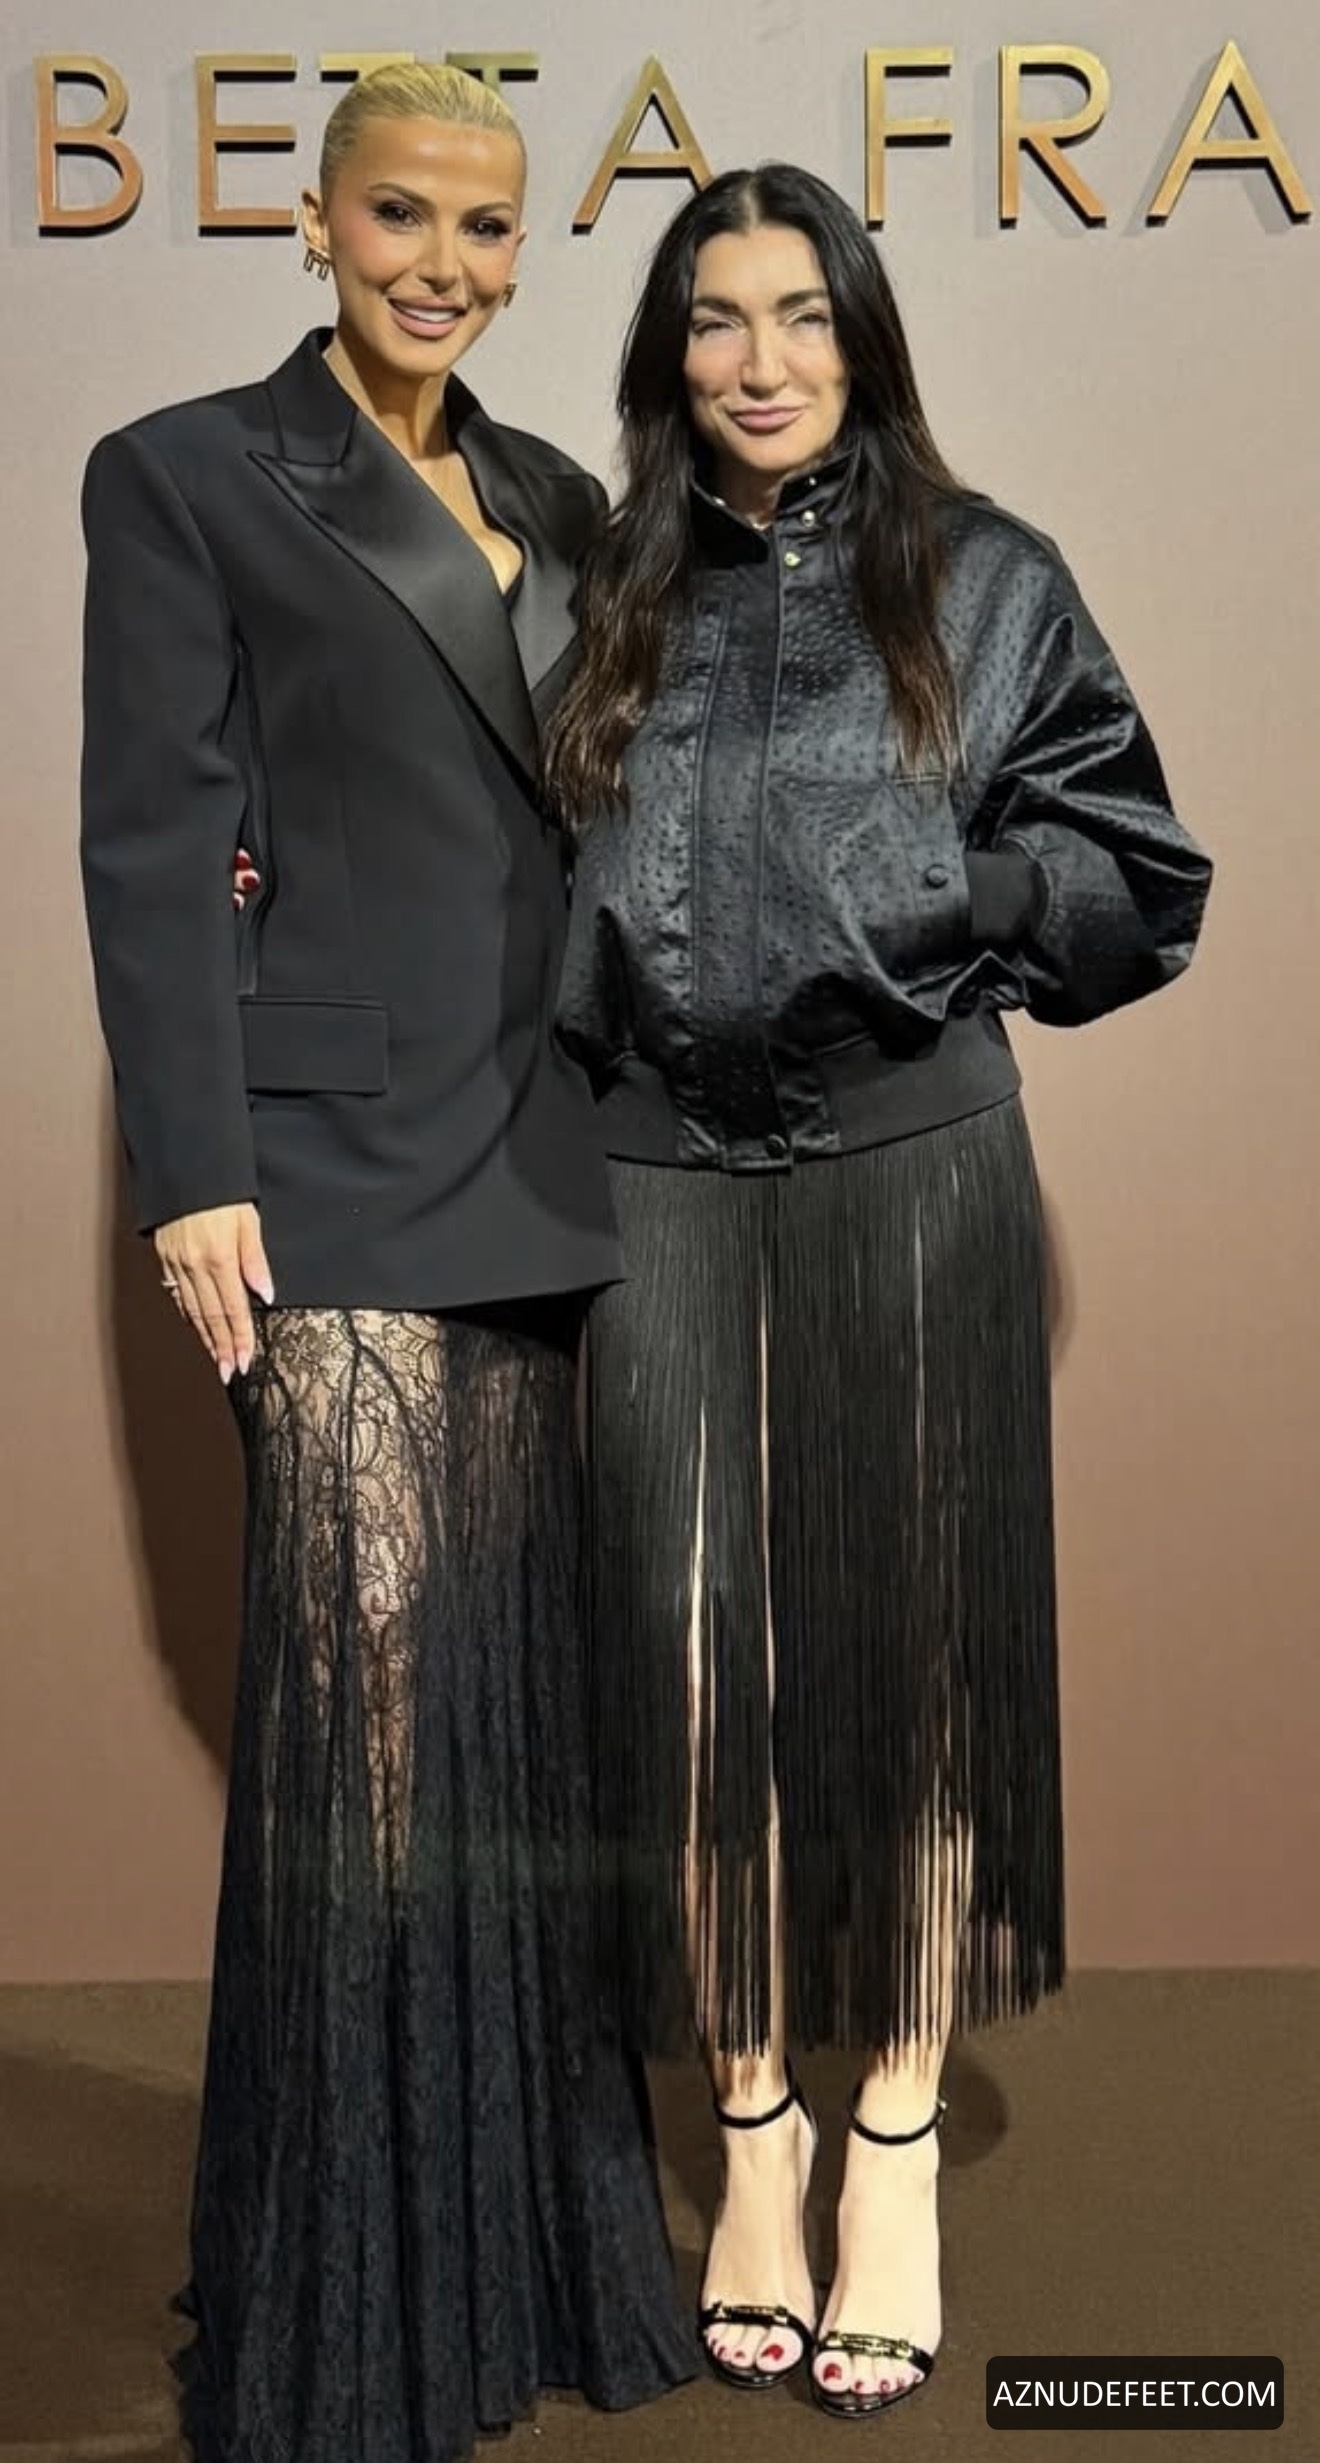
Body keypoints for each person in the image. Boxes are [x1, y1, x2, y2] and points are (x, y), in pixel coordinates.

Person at [547, 163, 1212, 2419]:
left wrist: (940, 882)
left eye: (802, 316)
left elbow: (1133, 871)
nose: (760, 362)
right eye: (715, 320)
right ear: (668, 354)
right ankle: (755, 2125)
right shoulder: (600, 590)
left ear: (864, 337)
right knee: (692, 1663)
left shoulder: (983, 573)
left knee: (911, 1664)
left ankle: (895, 2133)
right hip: (653, 1176)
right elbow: (496, 861)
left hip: (913, 1166)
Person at [79, 61, 694, 2463]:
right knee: (373, 1740)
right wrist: (190, 1164)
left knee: (505, 1734)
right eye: (403, 215)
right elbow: (156, 836)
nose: (445, 262)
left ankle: (509, 2265)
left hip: (539, 1162)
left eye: (487, 226)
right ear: (318, 223)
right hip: (323, 1171)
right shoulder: (189, 474)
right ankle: (347, 2316)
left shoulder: (558, 500)